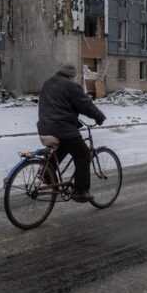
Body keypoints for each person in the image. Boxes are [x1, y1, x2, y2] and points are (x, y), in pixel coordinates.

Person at [37, 62, 106, 202]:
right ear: (71, 76)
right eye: (74, 77)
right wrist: (99, 117)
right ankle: (80, 192)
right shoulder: (72, 86)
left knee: (64, 147)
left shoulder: (48, 83)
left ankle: (46, 174)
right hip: (63, 127)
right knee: (84, 156)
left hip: (44, 126)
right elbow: (85, 105)